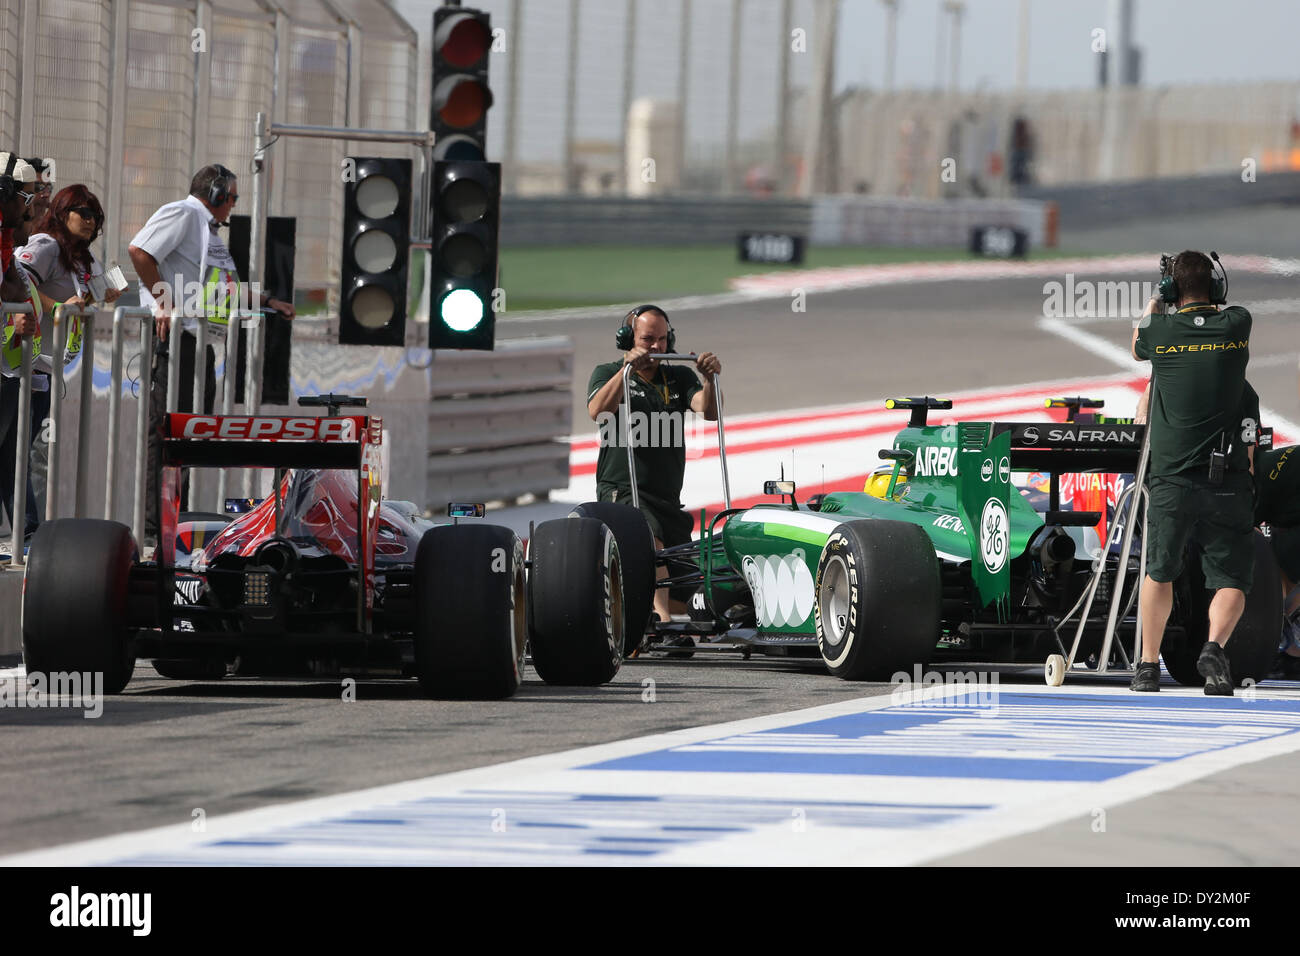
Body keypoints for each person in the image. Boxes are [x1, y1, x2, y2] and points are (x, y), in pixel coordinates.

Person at [127, 164, 294, 540]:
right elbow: (139, 251)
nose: (233, 205)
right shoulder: (183, 213)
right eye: (232, 197)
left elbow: (225, 287)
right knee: (167, 432)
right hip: (179, 339)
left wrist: (269, 301)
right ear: (216, 193)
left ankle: (173, 518)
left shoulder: (209, 232)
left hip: (202, 342)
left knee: (188, 436)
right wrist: (164, 301)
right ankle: (155, 528)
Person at [1129, 251, 1254, 695]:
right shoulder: (1238, 323)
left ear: (1171, 290)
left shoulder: (1159, 332)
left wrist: (1157, 299)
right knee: (1231, 579)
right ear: (1217, 289)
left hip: (1171, 480)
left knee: (1159, 571)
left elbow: (1137, 343)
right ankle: (1214, 646)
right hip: (1226, 481)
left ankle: (1146, 666)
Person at [587, 304, 721, 638]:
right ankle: (662, 623)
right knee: (652, 537)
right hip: (622, 487)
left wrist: (709, 378)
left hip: (666, 496)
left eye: (662, 339)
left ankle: (639, 606)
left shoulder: (677, 375)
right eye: (648, 339)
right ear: (628, 339)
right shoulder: (607, 372)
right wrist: (625, 371)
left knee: (690, 590)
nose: (656, 347)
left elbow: (708, 410)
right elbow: (597, 410)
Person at [15, 184, 121, 518]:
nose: (90, 221)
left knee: (29, 453)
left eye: (95, 215)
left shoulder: (81, 258)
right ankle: (26, 528)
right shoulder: (46, 244)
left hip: (45, 367)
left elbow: (76, 304)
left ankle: (28, 528)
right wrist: (56, 306)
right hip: (19, 361)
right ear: (63, 213)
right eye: (84, 213)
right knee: (16, 453)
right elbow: (18, 277)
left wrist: (101, 296)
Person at [0, 152, 40, 549]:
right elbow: (10, 292)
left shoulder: (5, 237)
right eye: (25, 199)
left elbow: (15, 289)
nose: (30, 209)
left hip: (9, 370)